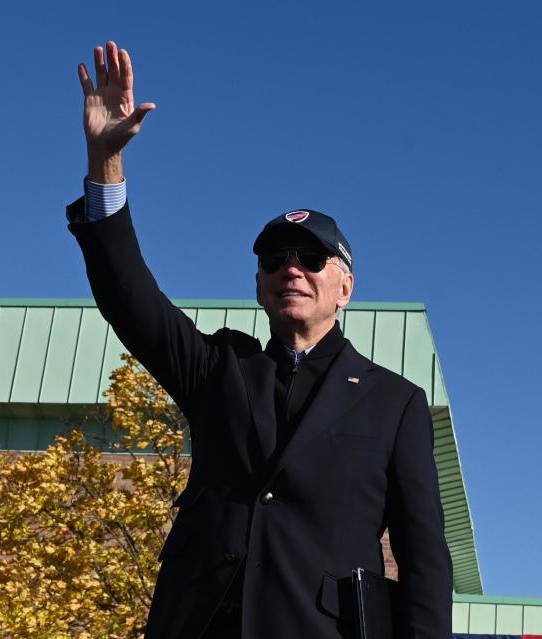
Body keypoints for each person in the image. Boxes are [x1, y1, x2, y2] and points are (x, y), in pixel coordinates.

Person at [67, 42, 451, 638]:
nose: (291, 268)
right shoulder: (220, 367)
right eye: (276, 258)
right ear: (259, 283)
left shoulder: (393, 403)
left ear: (345, 286)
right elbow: (129, 298)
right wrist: (105, 163)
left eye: (311, 258)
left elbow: (424, 557)